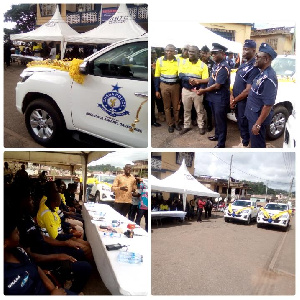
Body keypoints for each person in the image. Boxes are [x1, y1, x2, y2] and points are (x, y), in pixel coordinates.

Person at [4, 213, 73, 295]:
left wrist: (53, 289)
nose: (19, 233)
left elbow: (35, 267)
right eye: (16, 232)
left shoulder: (19, 251)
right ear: (4, 243)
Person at [194, 43, 231, 148]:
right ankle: (217, 135)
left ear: (222, 54)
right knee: (216, 118)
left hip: (220, 98)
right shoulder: (216, 65)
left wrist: (203, 90)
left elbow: (217, 85)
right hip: (214, 97)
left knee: (221, 121)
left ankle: (221, 143)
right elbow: (211, 79)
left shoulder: (224, 67)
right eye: (212, 53)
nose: (213, 55)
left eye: (215, 53)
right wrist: (198, 81)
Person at [245, 43, 278, 148]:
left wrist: (258, 124)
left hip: (257, 118)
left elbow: (268, 105)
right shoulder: (262, 73)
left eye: (258, 57)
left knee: (257, 146)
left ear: (266, 59)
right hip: (252, 114)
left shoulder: (269, 78)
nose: (255, 59)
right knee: (254, 142)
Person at [231, 40, 260, 148]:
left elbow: (247, 90)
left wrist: (234, 100)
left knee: (244, 123)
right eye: (243, 49)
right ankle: (244, 141)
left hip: (244, 102)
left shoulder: (254, 67)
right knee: (240, 122)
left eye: (246, 49)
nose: (243, 51)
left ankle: (246, 144)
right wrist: (232, 96)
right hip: (238, 100)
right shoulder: (244, 64)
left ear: (253, 50)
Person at [179, 45, 209, 136]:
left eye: (192, 52)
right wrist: (189, 80)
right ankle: (186, 126)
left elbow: (205, 79)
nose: (190, 53)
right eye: (189, 51)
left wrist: (201, 90)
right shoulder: (183, 62)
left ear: (198, 53)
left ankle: (201, 126)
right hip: (186, 90)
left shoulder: (203, 65)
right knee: (186, 110)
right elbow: (180, 75)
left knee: (199, 110)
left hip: (197, 91)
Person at [154, 44, 182, 133]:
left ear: (174, 52)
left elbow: (181, 74)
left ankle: (176, 123)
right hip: (164, 85)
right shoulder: (160, 60)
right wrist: (157, 90)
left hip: (175, 86)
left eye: (171, 51)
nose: (168, 52)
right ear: (164, 51)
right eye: (167, 50)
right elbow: (157, 75)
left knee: (176, 106)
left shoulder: (178, 60)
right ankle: (170, 124)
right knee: (166, 107)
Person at [200, 45, 215, 132]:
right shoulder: (198, 62)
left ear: (209, 54)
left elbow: (212, 77)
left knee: (208, 107)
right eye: (202, 53)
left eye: (205, 53)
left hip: (208, 89)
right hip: (198, 87)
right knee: (198, 107)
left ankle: (209, 123)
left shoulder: (212, 63)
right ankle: (200, 121)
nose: (204, 55)